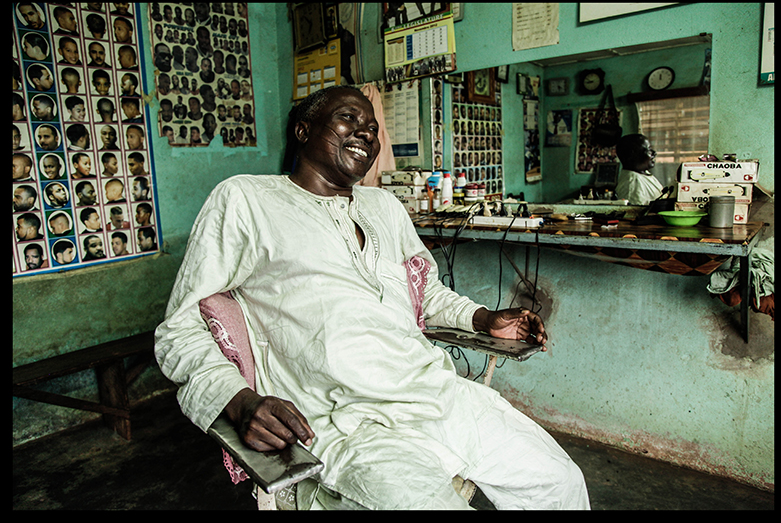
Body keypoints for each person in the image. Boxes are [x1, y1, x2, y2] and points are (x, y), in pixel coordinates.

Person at [155, 86, 589, 510]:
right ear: (304, 131)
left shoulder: (384, 206)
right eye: (349, 118)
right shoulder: (247, 200)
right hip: (343, 420)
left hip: (434, 394)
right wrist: (239, 399)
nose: (366, 132)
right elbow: (179, 329)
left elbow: (424, 291)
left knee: (559, 482)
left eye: (373, 127)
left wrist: (482, 318)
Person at [614, 134, 664, 206]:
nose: (654, 153)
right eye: (648, 150)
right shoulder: (632, 183)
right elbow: (634, 214)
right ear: (633, 154)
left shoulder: (643, 174)